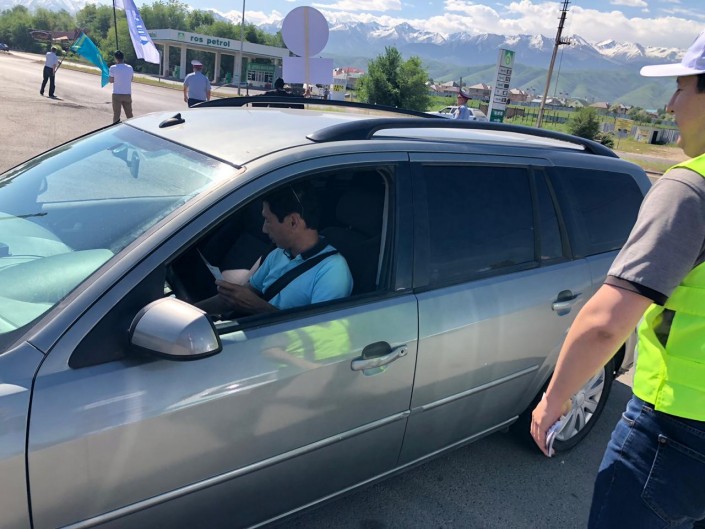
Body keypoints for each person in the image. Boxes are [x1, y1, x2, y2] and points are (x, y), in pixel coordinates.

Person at [530, 28, 705, 528]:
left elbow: (607, 324)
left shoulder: (690, 190)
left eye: (681, 87)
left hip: (676, 430)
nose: (670, 105)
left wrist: (553, 401)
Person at [197, 185, 353, 317]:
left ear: (293, 222)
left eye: (268, 220)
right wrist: (193, 311)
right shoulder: (280, 253)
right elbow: (240, 296)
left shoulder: (333, 272)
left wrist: (259, 308)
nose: (264, 229)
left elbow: (318, 334)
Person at [109, 50, 133, 123]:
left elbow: (111, 80)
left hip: (117, 94)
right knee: (129, 114)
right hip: (127, 94)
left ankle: (115, 126)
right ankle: (132, 126)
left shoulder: (113, 68)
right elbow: (131, 79)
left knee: (116, 114)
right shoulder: (130, 67)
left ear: (115, 58)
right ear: (123, 58)